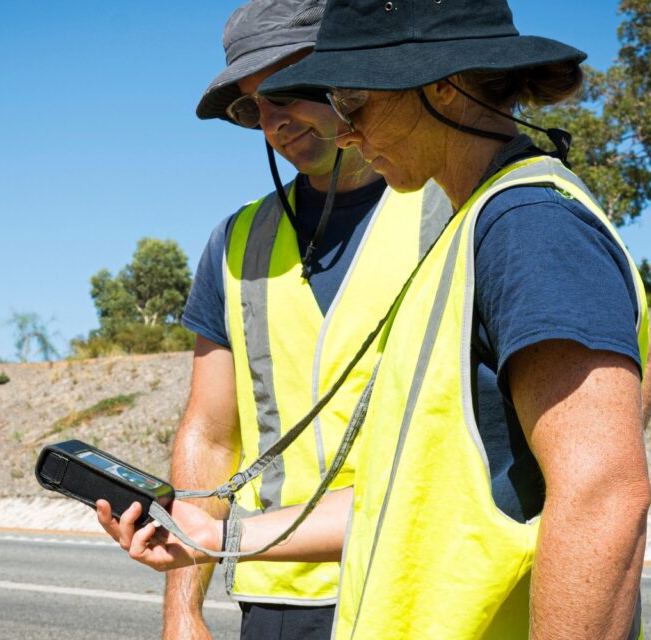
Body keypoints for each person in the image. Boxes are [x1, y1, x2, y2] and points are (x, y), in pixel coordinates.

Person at [110, 1, 651, 638]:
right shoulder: (468, 230)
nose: (343, 129)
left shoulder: (524, 226)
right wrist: (216, 535)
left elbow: (601, 495)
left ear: (439, 85)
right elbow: (406, 491)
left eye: (353, 98)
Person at [165, 1, 451, 638]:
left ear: (352, 69)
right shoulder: (236, 242)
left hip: (421, 584)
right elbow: (210, 435)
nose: (272, 122)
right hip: (276, 595)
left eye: (286, 89)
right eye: (252, 106)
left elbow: (629, 367)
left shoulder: (456, 202)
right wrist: (183, 609)